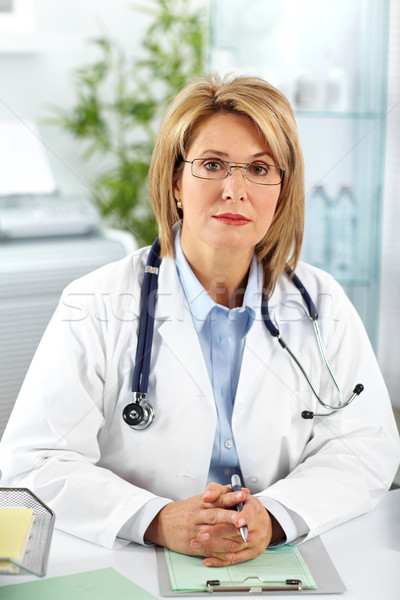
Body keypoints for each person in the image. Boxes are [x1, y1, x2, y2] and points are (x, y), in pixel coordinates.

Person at [0, 74, 399, 568]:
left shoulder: (323, 303)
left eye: (259, 168)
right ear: (175, 181)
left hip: (281, 559)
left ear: (283, 189)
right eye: (212, 165)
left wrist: (273, 516)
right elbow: (33, 461)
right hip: (131, 560)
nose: (235, 190)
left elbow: (365, 447)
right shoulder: (95, 301)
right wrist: (156, 519)